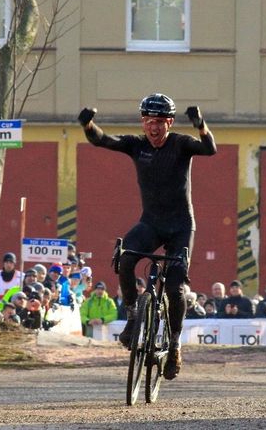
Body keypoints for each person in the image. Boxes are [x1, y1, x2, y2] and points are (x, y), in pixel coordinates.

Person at [79, 93, 217, 380]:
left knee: (175, 288)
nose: (153, 128)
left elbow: (209, 149)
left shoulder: (180, 144)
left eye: (159, 123)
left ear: (169, 123)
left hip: (181, 226)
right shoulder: (137, 145)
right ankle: (132, 317)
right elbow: (104, 141)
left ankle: (175, 345)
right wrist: (88, 125)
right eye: (148, 122)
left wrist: (200, 125)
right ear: (143, 123)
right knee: (126, 257)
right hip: (151, 223)